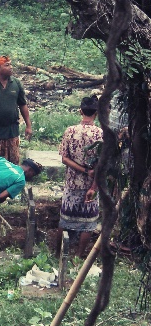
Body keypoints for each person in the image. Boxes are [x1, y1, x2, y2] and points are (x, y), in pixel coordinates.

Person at [58, 95, 103, 258]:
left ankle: (57, 253)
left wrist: (83, 170)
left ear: (80, 111)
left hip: (72, 183)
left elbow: (64, 159)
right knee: (88, 223)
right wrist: (93, 186)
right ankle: (78, 256)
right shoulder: (100, 134)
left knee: (65, 219)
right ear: (96, 113)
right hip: (91, 184)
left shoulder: (70, 131)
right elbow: (101, 164)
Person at [0, 153, 43, 224]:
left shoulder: (2, 161)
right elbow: (1, 196)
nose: (32, 176)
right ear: (30, 170)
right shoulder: (20, 180)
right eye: (33, 174)